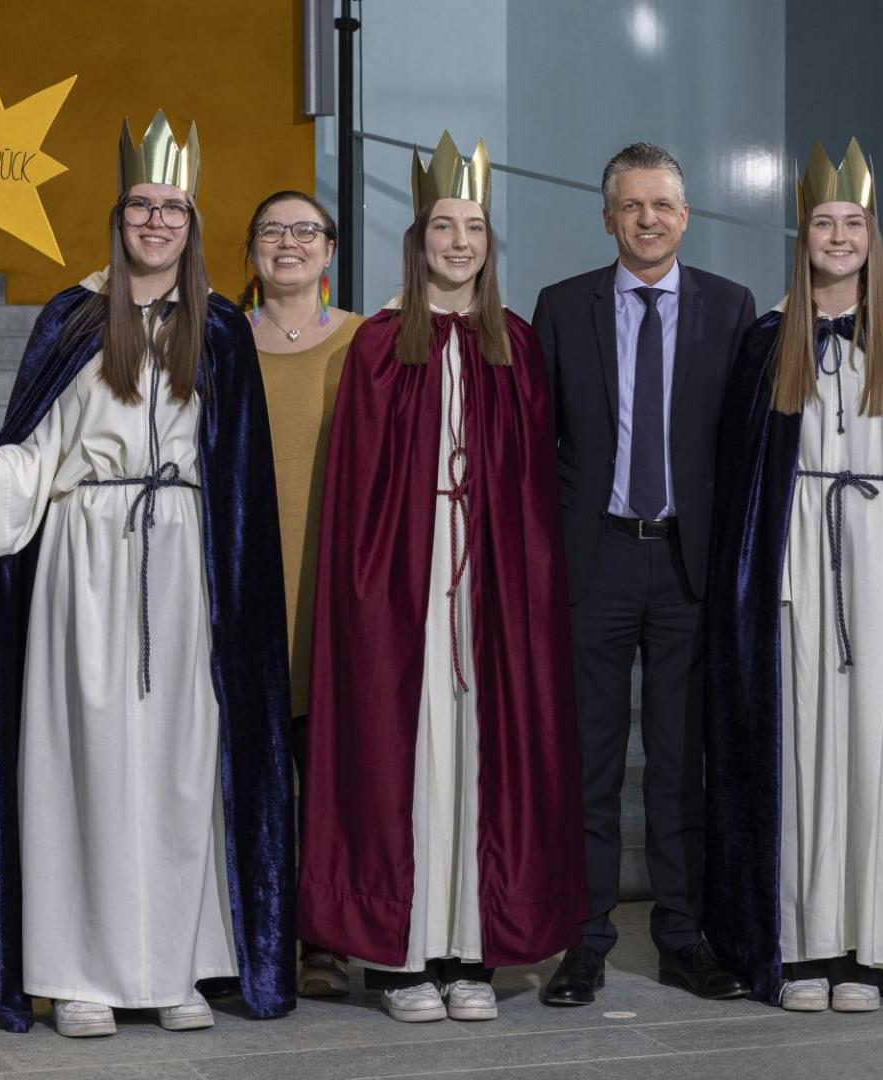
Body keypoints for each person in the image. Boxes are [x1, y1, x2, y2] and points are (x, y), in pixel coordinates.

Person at [0, 111, 294, 1037]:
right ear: (119, 213)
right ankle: (79, 972)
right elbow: (39, 455)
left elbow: (242, 475)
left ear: (194, 220)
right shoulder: (73, 318)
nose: (157, 220)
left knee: (180, 769)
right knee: (81, 769)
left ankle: (176, 970)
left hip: (184, 565)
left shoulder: (220, 327)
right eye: (143, 204)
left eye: (174, 206)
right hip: (84, 563)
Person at [298, 132, 585, 1024]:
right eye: (443, 226)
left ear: (490, 244)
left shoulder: (519, 348)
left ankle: (470, 948)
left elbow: (534, 489)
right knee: (409, 752)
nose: (459, 242)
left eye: (475, 228)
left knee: (481, 755)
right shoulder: (381, 346)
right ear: (417, 238)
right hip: (406, 586)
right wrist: (378, 588)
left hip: (491, 591)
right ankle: (401, 953)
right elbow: (358, 490)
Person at [705, 139, 883, 1015]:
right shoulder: (766, 343)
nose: (838, 235)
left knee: (872, 748)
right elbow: (741, 483)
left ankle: (869, 946)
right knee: (802, 744)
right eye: (824, 222)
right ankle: (799, 943)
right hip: (796, 569)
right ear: (803, 235)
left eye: (853, 222)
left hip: (879, 570)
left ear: (873, 236)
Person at [532, 143, 757, 1006]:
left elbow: (742, 445)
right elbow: (537, 442)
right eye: (633, 206)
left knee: (679, 762)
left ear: (686, 215)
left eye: (663, 204)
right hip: (596, 561)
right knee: (588, 765)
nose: (649, 219)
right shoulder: (562, 307)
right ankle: (582, 941)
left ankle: (680, 936)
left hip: (688, 565)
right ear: (608, 217)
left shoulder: (731, 310)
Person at [240, 190, 366, 998]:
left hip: (335, 587)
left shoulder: (368, 341)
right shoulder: (216, 339)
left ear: (330, 250)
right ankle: (253, 932)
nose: (288, 243)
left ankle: (323, 942)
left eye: (304, 231)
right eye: (271, 230)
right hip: (244, 583)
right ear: (250, 249)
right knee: (250, 780)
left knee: (329, 778)